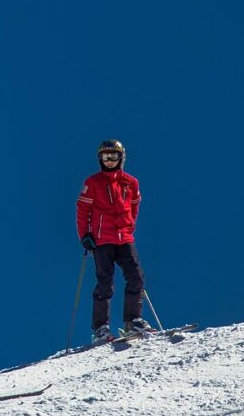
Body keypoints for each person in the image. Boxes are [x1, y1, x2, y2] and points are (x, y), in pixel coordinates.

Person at [76, 140, 154, 342]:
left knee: (136, 276)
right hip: (102, 239)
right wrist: (85, 235)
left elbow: (134, 207)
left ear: (121, 158)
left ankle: (133, 321)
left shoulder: (131, 182)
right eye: (105, 157)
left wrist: (128, 227)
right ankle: (100, 328)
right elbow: (83, 210)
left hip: (124, 238)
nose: (109, 161)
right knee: (105, 282)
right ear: (100, 159)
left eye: (113, 157)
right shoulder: (92, 183)